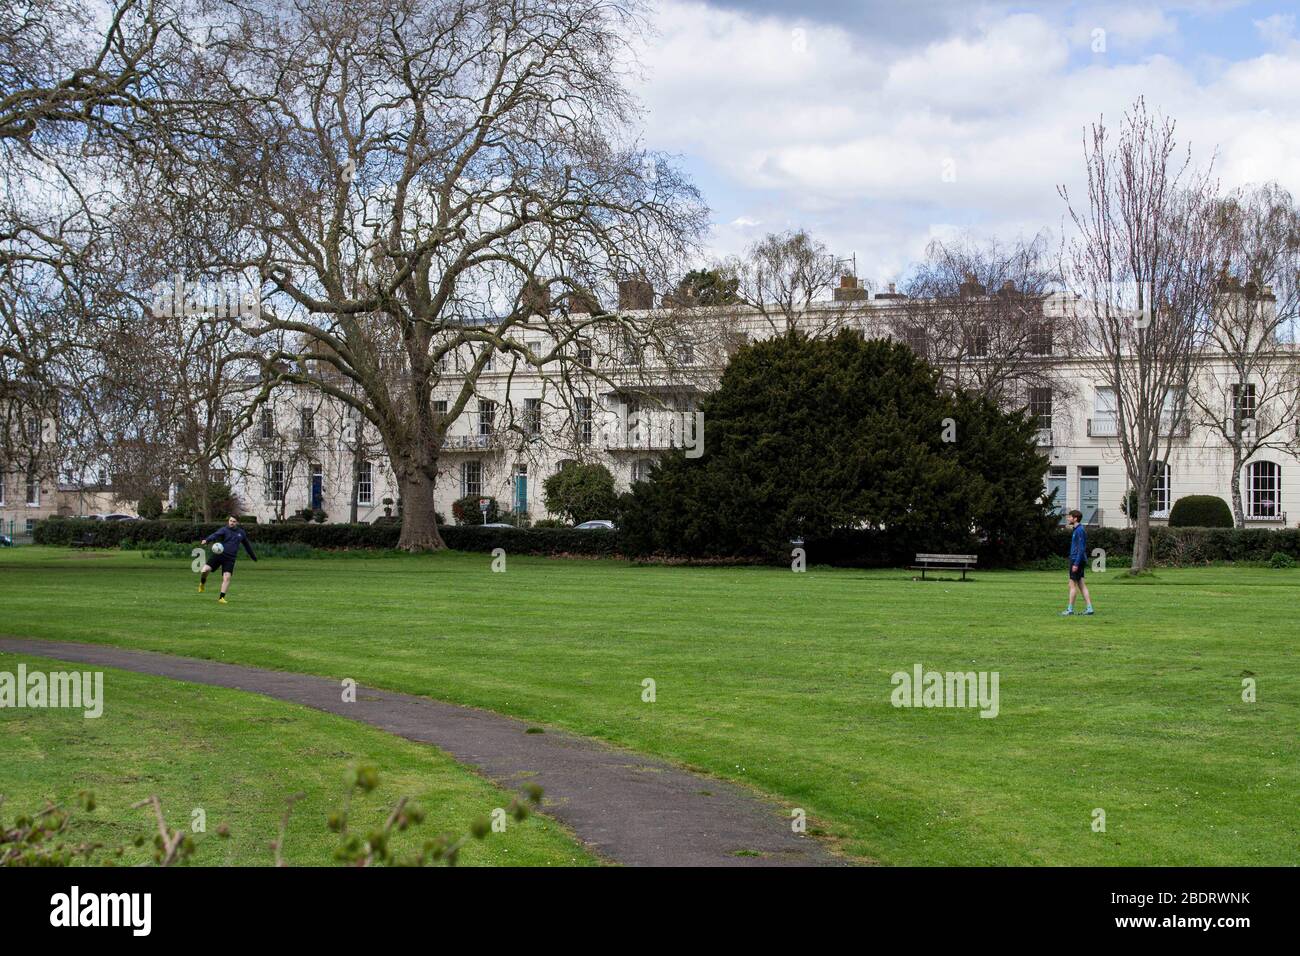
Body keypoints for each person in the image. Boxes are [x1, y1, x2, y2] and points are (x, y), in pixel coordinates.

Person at [198, 516, 257, 604]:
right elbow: (215, 535)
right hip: (219, 555)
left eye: (234, 521)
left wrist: (253, 556)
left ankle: (221, 598)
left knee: (227, 577)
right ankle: (202, 583)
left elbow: (247, 545)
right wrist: (207, 540)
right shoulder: (224, 530)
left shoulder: (241, 533)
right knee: (205, 570)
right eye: (230, 521)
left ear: (237, 522)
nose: (231, 522)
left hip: (230, 558)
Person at [1061, 509, 1094, 616]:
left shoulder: (1079, 530)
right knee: (1081, 585)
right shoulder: (1076, 529)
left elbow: (1081, 549)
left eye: (1070, 517)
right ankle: (1089, 608)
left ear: (1075, 518)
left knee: (1072, 584)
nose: (1068, 518)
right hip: (1077, 559)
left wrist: (1075, 563)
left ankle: (1070, 609)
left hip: (1076, 560)